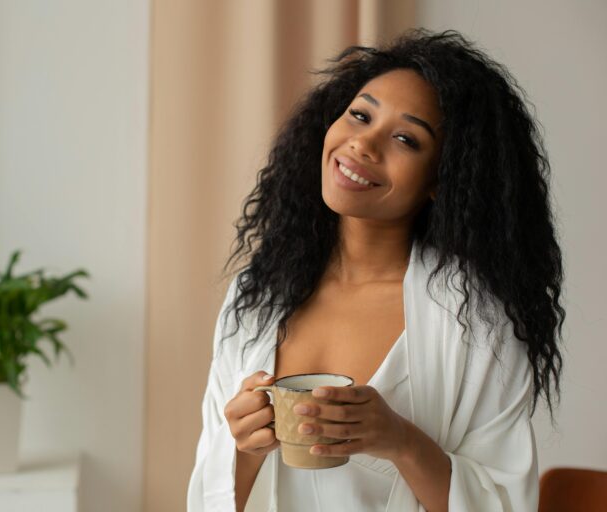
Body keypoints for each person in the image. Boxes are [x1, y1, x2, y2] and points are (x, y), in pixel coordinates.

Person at [187, 28, 565, 512]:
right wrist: (243, 448)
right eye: (360, 115)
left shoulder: (478, 322)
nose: (363, 143)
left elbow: (505, 503)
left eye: (406, 139)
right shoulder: (258, 295)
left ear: (441, 178)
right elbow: (209, 494)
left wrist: (400, 441)